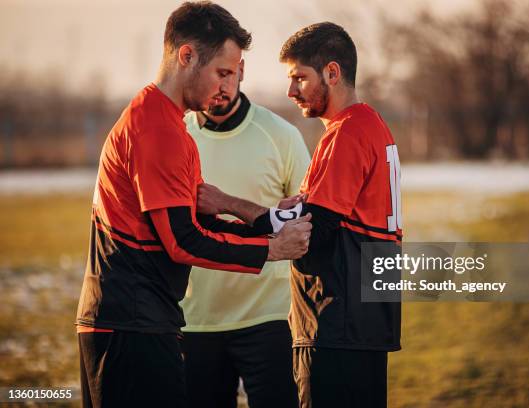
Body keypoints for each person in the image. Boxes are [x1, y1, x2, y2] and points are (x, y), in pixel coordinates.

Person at [75, 2, 311, 407]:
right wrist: (272, 249)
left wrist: (270, 222)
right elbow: (182, 241)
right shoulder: (156, 128)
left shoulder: (171, 125)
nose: (227, 85)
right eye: (221, 72)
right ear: (186, 56)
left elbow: (201, 221)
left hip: (146, 321)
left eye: (234, 74)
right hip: (128, 326)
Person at [279, 22, 403, 408]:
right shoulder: (373, 125)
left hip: (336, 324)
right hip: (364, 323)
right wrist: (303, 206)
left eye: (300, 77)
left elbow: (315, 240)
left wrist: (242, 214)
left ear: (332, 73)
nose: (291, 90)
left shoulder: (347, 132)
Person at [180, 54, 310, 407]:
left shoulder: (281, 136)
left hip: (269, 317)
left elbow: (306, 221)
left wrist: (230, 203)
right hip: (194, 319)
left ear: (242, 71)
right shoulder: (177, 136)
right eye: (213, 74)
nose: (220, 86)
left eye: (228, 74)